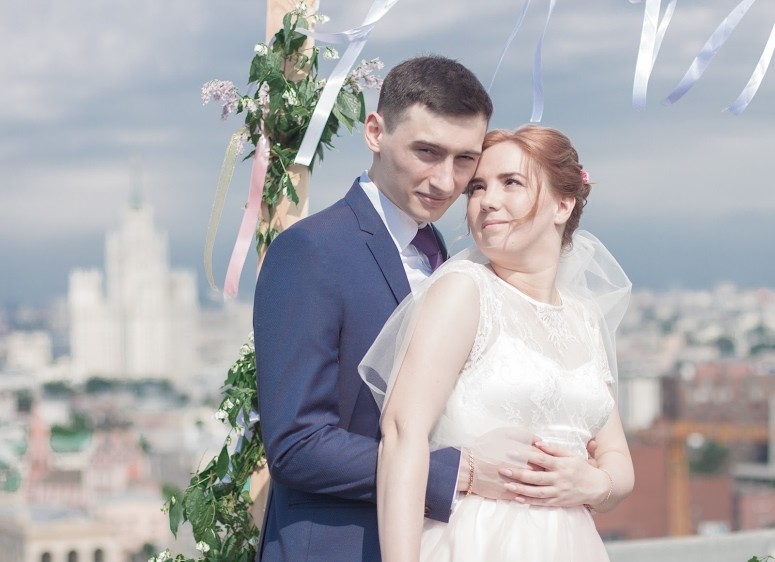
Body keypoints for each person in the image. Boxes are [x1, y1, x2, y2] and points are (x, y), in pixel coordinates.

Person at [254, 55, 517, 562]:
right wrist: (457, 473)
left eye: (465, 159)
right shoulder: (311, 251)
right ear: (375, 132)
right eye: (427, 152)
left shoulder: (443, 254)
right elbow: (296, 446)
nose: (446, 181)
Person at [362, 125, 635, 561]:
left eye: (511, 182)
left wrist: (595, 484)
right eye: (477, 188)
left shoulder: (583, 318)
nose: (487, 200)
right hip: (477, 540)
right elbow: (401, 434)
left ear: (563, 204)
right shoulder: (464, 290)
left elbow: (616, 454)